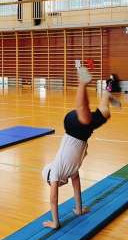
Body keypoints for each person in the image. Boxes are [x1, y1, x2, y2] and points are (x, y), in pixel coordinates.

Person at [41, 66, 120, 229]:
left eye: (54, 184)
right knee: (104, 114)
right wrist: (78, 209)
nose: (58, 186)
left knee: (84, 115)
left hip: (73, 128)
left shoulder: (55, 171)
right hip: (83, 133)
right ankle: (107, 93)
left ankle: (82, 83)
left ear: (50, 179)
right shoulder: (71, 172)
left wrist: (55, 222)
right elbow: (77, 189)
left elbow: (53, 200)